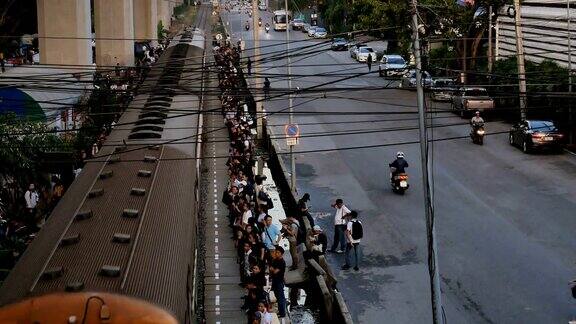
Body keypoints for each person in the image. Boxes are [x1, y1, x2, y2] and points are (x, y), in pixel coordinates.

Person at [269, 246, 287, 318]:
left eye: (278, 252)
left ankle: (282, 313)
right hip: (275, 281)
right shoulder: (275, 260)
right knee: (277, 296)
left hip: (279, 281)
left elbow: (275, 271)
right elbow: (271, 268)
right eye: (276, 252)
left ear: (281, 254)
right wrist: (272, 269)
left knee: (280, 298)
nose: (276, 253)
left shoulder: (282, 262)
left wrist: (272, 269)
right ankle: (280, 311)